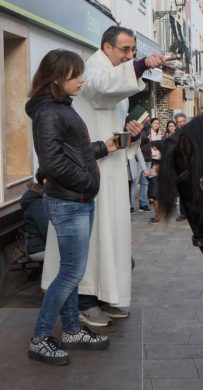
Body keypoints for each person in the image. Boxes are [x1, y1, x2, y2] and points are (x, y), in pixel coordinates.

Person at [41, 26, 169, 327]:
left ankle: (104, 296)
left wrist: (132, 137)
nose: (129, 56)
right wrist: (143, 64)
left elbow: (111, 121)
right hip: (86, 174)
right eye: (125, 50)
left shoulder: (111, 75)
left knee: (110, 237)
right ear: (107, 47)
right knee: (93, 238)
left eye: (133, 52)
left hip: (109, 169)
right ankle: (84, 301)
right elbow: (102, 89)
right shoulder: (90, 69)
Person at [25, 49, 118, 365]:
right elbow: (52, 162)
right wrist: (87, 182)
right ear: (56, 78)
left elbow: (74, 152)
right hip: (69, 203)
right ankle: (40, 338)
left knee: (71, 272)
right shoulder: (50, 113)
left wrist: (105, 147)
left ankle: (73, 330)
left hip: (76, 201)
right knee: (70, 273)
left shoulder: (60, 108)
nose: (82, 79)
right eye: (75, 74)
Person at [19, 169, 47, 262]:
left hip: (38, 245)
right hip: (38, 248)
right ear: (45, 181)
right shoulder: (39, 203)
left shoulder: (39, 197)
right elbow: (46, 231)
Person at [173, 112, 188, 221]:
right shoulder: (174, 136)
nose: (181, 124)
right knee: (182, 191)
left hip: (191, 165)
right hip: (179, 167)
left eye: (182, 121)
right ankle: (183, 213)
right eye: (179, 122)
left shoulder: (192, 132)